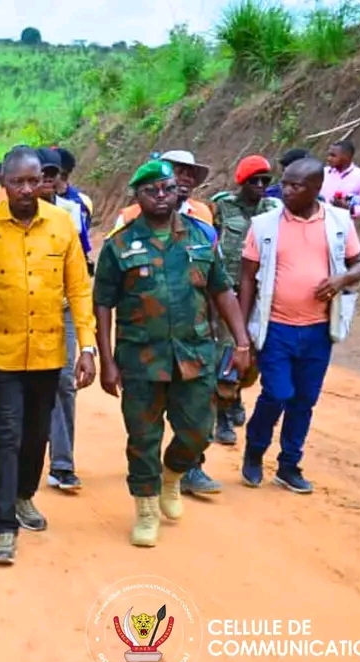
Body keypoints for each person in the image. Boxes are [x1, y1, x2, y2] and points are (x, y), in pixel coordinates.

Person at [93, 160, 249, 547]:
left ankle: (172, 476)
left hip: (194, 354)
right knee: (142, 437)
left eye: (167, 188)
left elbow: (222, 291)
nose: (161, 196)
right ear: (138, 197)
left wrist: (242, 342)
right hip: (141, 360)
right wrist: (107, 362)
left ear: (177, 191)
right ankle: (146, 510)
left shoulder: (201, 236)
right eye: (152, 191)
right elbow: (103, 304)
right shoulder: (120, 244)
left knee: (198, 432)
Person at [0, 145, 97, 565]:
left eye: (33, 180)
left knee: (37, 435)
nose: (25, 189)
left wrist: (87, 347)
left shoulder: (61, 224)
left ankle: (23, 496)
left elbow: (78, 289)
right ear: (2, 182)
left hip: (48, 350)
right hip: (0, 353)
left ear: (45, 181)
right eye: (16, 181)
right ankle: (3, 527)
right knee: (6, 435)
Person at [238, 157, 360, 493]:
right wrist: (242, 334)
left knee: (304, 399)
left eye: (296, 185)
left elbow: (359, 265)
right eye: (286, 183)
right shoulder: (264, 224)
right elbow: (247, 278)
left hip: (318, 330)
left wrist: (341, 279)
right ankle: (254, 452)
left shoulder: (339, 221)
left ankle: (289, 465)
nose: (286, 190)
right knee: (277, 393)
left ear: (316, 188)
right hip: (275, 327)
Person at [207, 155, 283, 443]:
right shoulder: (223, 206)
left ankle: (236, 395)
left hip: (264, 292)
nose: (261, 185)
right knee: (228, 351)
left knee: (254, 353)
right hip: (229, 291)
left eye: (266, 180)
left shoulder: (274, 209)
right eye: (255, 180)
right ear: (242, 181)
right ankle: (222, 418)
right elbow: (210, 243)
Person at [33, 148, 89, 492]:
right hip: (24, 310)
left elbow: (82, 260)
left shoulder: (73, 211)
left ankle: (62, 463)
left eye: (54, 174)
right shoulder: (4, 213)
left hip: (63, 308)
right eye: (43, 174)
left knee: (64, 382)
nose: (49, 180)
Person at [111, 150, 214, 229]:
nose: (186, 178)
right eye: (179, 172)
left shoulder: (202, 213)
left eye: (191, 175)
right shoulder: (129, 216)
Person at [321, 140, 360, 219]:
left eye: (333, 156)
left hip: (343, 224)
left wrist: (348, 208)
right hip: (319, 221)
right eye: (329, 155)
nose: (329, 158)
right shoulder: (323, 172)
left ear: (347, 157)